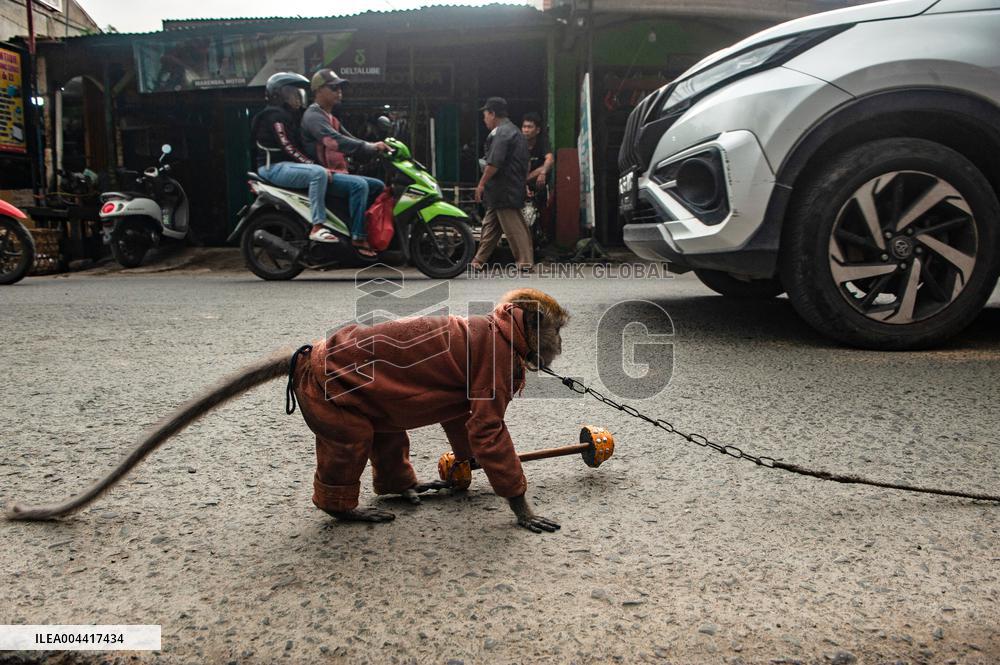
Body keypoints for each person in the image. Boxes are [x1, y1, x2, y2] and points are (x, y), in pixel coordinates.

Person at [300, 68, 389, 257]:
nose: (339, 92)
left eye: (340, 88)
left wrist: (373, 148)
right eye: (334, 88)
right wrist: (369, 146)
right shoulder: (313, 116)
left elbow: (351, 139)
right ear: (318, 91)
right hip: (326, 174)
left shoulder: (331, 118)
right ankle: (357, 237)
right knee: (360, 186)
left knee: (379, 186)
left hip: (339, 173)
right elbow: (335, 141)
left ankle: (359, 226)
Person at [250, 72, 337, 243]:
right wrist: (314, 165)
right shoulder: (275, 116)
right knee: (318, 174)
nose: (297, 98)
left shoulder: (291, 117)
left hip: (286, 166)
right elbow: (288, 147)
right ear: (279, 95)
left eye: (299, 94)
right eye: (292, 94)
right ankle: (318, 226)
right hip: (273, 167)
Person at [471, 97, 533, 271]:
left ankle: (525, 262)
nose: (484, 119)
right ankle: (478, 261)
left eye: (485, 115)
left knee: (514, 226)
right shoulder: (513, 131)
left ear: (492, 114)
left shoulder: (503, 133)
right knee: (490, 226)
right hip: (503, 188)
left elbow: (494, 163)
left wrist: (481, 184)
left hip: (504, 188)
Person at [521, 111, 554, 209]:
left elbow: (550, 159)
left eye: (529, 127)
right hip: (521, 184)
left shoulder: (542, 142)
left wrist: (543, 173)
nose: (526, 130)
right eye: (524, 127)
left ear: (537, 130)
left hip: (539, 185)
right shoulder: (518, 144)